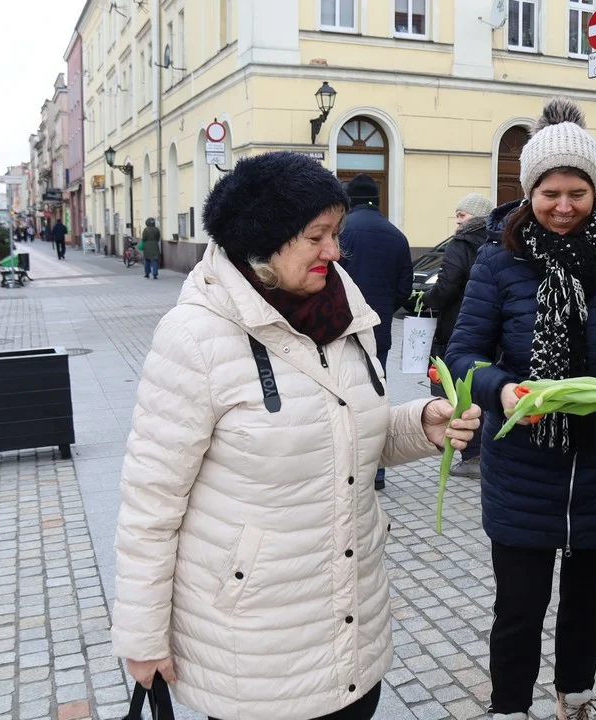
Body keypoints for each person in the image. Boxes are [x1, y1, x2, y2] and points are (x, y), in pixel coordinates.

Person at [110, 152, 481, 720]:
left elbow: (347, 436)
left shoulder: (343, 317)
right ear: (265, 240)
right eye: (318, 236)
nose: (335, 251)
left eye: (336, 233)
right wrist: (142, 636)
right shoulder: (195, 338)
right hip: (255, 647)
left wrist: (418, 423)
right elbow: (150, 503)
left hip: (349, 626)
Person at [446, 98, 596, 720]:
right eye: (550, 192)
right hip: (524, 467)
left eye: (578, 191)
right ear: (529, 193)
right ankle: (509, 709)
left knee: (587, 603)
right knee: (518, 609)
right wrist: (502, 390)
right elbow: (462, 350)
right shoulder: (499, 257)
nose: (564, 206)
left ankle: (574, 698)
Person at [339, 172, 414, 490]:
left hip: (339, 331)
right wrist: (381, 310)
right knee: (375, 399)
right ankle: (377, 473)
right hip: (379, 332)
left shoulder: (341, 231)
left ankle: (345, 472)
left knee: (341, 402)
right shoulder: (396, 235)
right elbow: (404, 290)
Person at [423, 192, 495, 479]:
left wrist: (428, 299)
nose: (458, 221)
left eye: (462, 215)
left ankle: (472, 454)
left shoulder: (462, 243)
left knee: (455, 390)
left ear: (475, 217)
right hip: (491, 328)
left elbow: (447, 285)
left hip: (458, 325)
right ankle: (487, 451)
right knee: (485, 388)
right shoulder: (498, 240)